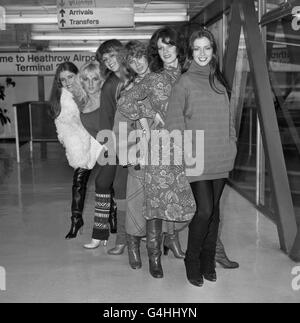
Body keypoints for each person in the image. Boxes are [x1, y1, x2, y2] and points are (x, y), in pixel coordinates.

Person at [116, 28, 194, 279]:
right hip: (159, 148)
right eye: (160, 48)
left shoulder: (192, 76)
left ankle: (191, 245)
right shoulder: (155, 79)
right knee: (153, 204)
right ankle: (154, 257)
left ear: (178, 47)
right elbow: (125, 102)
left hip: (190, 147)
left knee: (190, 202)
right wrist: (148, 114)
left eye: (169, 45)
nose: (166, 51)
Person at [165, 28, 237, 287]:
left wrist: (232, 146)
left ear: (213, 51)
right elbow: (174, 125)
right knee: (204, 211)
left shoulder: (219, 82)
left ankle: (208, 262)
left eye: (207, 48)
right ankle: (192, 261)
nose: (203, 53)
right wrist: (185, 156)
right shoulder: (184, 82)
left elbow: (228, 121)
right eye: (197, 49)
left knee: (215, 212)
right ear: (191, 52)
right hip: (196, 160)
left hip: (220, 157)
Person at [49, 61, 104, 240]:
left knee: (107, 182)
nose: (67, 82)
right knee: (79, 179)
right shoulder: (61, 99)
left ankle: (112, 218)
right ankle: (76, 219)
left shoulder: (88, 90)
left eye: (70, 77)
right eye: (63, 80)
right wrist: (69, 143)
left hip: (100, 139)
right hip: (80, 143)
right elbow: (62, 126)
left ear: (77, 75)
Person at [83, 40, 128, 252]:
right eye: (105, 58)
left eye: (112, 55)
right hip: (116, 146)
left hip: (142, 141)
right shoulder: (110, 85)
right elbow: (107, 121)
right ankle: (114, 238)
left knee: (134, 190)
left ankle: (138, 235)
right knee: (108, 185)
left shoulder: (135, 75)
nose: (109, 61)